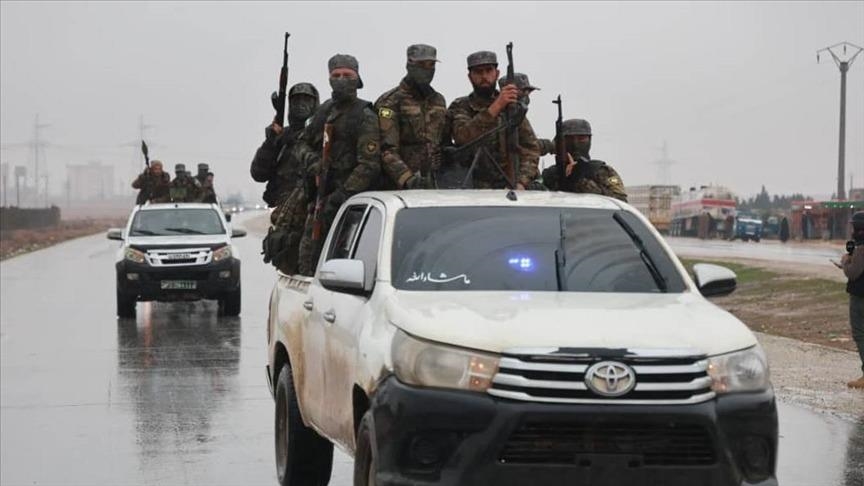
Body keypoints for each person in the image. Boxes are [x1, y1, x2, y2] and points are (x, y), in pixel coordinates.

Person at [295, 54, 381, 276]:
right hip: (319, 199)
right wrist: (315, 164)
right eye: (336, 75)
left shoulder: (365, 115)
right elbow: (301, 143)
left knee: (341, 265)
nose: (341, 79)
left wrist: (340, 196)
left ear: (357, 78)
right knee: (308, 260)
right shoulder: (324, 111)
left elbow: (369, 165)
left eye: (347, 75)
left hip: (350, 205)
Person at [251, 82, 321, 274]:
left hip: (314, 215)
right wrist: (271, 142)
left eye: (307, 100)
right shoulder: (281, 137)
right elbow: (258, 173)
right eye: (296, 100)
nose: (301, 104)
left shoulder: (321, 135)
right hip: (286, 219)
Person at [446, 50, 540, 190]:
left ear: (497, 73)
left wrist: (521, 182)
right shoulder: (461, 106)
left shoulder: (511, 107)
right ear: (470, 77)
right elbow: (462, 137)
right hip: (470, 188)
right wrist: (496, 107)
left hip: (508, 187)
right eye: (478, 72)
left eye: (488, 70)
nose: (484, 76)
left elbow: (530, 148)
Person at [375, 44, 449, 190]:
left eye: (431, 65)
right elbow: (386, 149)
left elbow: (442, 141)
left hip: (436, 186)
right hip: (400, 188)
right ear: (409, 64)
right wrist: (407, 179)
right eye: (421, 64)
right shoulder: (390, 101)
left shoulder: (438, 101)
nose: (427, 70)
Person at [540, 118, 628, 202]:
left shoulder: (602, 171)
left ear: (589, 140)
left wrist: (581, 181)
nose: (575, 144)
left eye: (581, 139)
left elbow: (620, 201)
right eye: (569, 139)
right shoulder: (550, 175)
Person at [841, 211, 864, 389]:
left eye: (854, 227)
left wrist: (845, 262)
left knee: (860, 334)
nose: (853, 231)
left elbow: (853, 273)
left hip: (860, 297)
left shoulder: (861, 250)